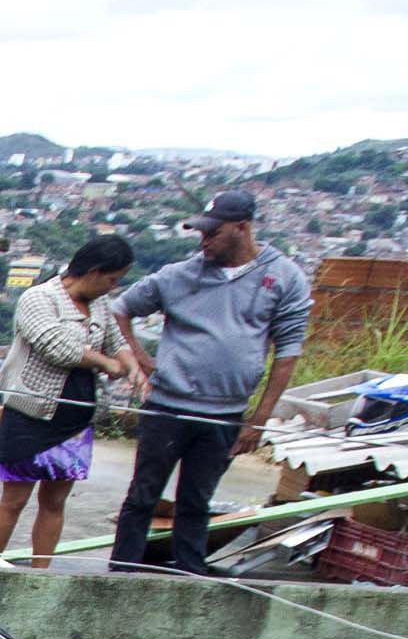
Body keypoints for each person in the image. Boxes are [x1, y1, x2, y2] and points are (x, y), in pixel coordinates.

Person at [106, 191, 310, 575]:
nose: (204, 241)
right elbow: (122, 309)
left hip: (225, 413)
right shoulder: (179, 275)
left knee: (197, 499)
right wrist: (142, 360)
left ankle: (189, 572)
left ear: (241, 228)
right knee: (143, 495)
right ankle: (122, 571)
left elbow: (288, 350)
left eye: (212, 233)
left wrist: (259, 418)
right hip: (168, 406)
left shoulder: (283, 278)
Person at [0, 235, 140, 570]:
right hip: (31, 412)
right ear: (93, 271)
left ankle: (40, 574)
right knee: (14, 499)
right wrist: (107, 364)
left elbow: (114, 338)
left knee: (55, 501)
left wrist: (130, 364)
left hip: (74, 416)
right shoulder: (39, 299)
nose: (112, 288)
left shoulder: (99, 305)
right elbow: (57, 347)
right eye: (111, 280)